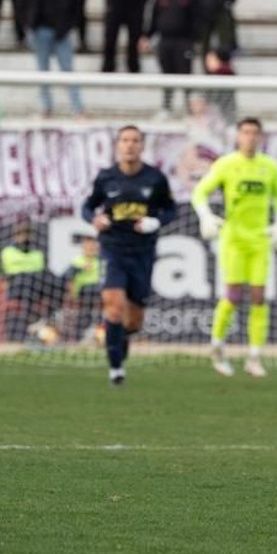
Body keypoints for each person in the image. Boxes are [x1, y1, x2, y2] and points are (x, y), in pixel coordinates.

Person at [81, 125, 176, 386]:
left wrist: (156, 222)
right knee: (113, 306)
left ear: (142, 146)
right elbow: (88, 206)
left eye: (135, 140)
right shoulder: (106, 177)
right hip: (113, 249)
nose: (130, 145)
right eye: (125, 140)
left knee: (133, 321)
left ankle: (120, 342)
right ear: (118, 145)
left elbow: (170, 210)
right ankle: (115, 369)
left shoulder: (155, 179)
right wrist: (94, 219)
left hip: (142, 253)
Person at [193, 119, 277, 379]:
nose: (250, 137)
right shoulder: (226, 164)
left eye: (255, 133)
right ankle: (217, 347)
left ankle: (254, 356)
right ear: (238, 136)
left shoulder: (269, 166)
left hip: (260, 240)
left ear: (260, 137)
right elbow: (200, 192)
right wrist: (205, 216)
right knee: (232, 296)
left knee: (259, 297)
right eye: (245, 132)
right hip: (233, 239)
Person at [19, 0, 83, 116]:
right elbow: (21, 5)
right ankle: (46, 108)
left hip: (62, 33)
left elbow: (76, 6)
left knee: (68, 71)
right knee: (43, 71)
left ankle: (77, 109)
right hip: (40, 32)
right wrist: (29, 26)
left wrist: (68, 27)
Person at [141, 0, 205, 115]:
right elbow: (154, 18)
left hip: (184, 42)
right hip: (164, 41)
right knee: (166, 76)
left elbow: (199, 20)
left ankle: (190, 109)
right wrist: (147, 36)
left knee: (185, 76)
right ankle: (166, 107)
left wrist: (196, 39)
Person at [0, 223, 55, 341]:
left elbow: (46, 272)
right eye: (22, 234)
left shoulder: (38, 253)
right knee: (26, 281)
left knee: (54, 282)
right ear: (15, 236)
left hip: (37, 286)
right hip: (16, 287)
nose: (25, 237)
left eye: (28, 234)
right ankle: (33, 321)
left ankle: (49, 319)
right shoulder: (7, 252)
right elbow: (1, 275)